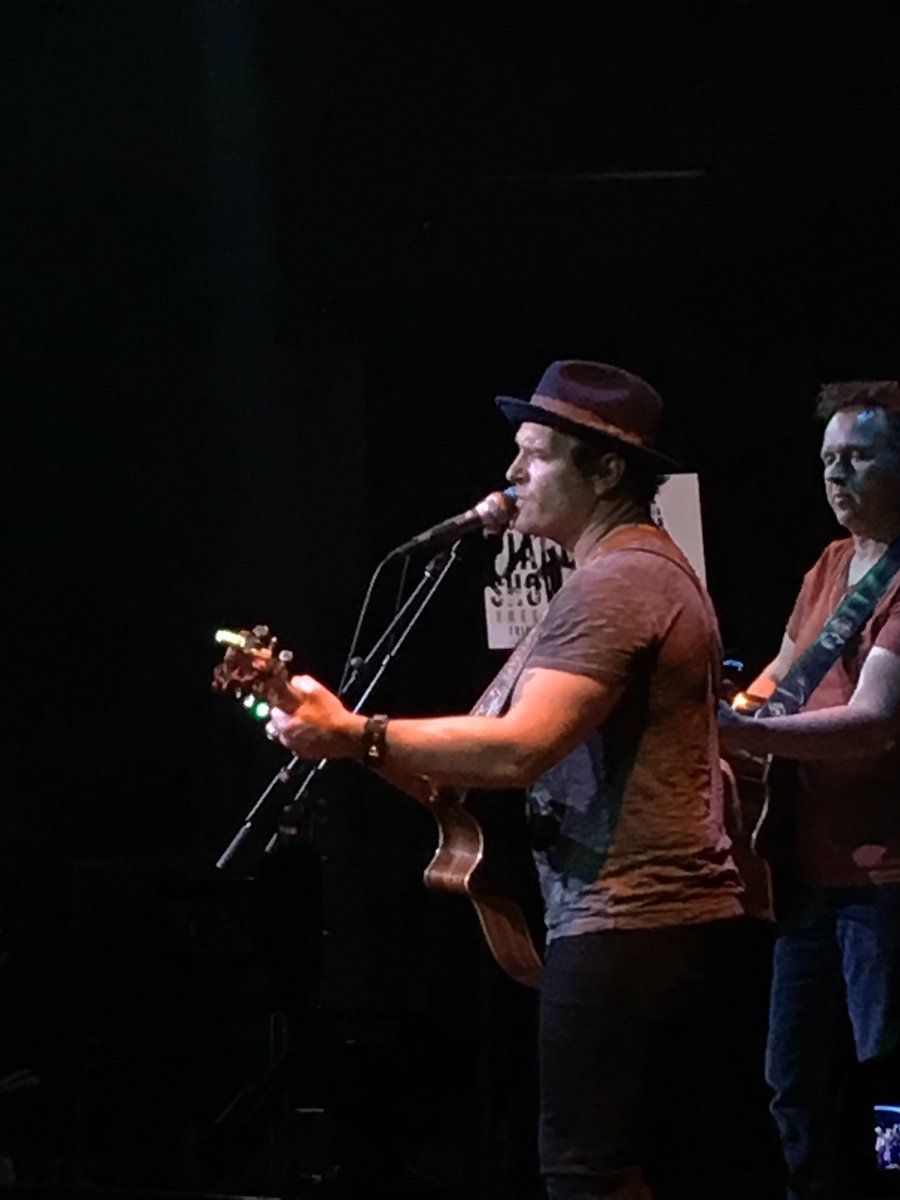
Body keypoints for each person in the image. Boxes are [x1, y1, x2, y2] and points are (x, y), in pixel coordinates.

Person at [268, 360, 747, 1200]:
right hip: (617, 919)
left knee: (585, 1173)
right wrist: (347, 740)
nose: (510, 475)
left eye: (535, 456)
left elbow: (519, 750)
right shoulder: (607, 579)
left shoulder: (622, 583)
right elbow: (482, 765)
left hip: (633, 917)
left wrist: (357, 734)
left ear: (605, 471)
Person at [719, 379, 900, 1200]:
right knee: (791, 1083)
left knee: (886, 1081)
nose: (837, 476)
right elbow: (781, 677)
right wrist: (728, 711)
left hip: (883, 878)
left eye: (858, 457)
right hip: (805, 874)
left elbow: (873, 721)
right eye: (828, 460)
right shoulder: (831, 564)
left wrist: (746, 734)